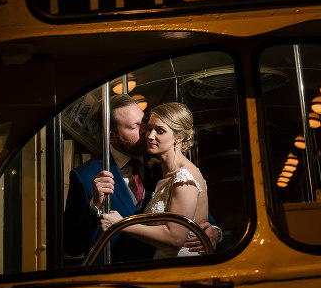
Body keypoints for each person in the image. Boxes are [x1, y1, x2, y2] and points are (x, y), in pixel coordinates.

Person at [63, 95, 219, 262]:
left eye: (144, 122)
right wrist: (95, 206)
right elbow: (72, 245)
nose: (146, 132)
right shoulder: (86, 175)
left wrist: (215, 232)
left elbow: (194, 211)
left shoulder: (163, 165)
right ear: (112, 136)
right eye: (133, 127)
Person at [99, 102, 209, 258]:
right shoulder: (164, 171)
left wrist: (121, 224)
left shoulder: (184, 177)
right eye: (149, 128)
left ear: (179, 137)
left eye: (160, 131)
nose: (149, 136)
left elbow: (176, 238)